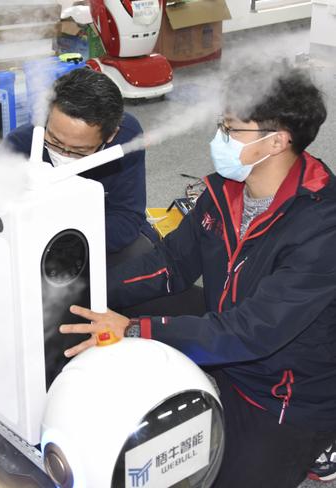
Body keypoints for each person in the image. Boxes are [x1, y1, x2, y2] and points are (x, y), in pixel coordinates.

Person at [59, 64, 336, 487]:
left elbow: (250, 333)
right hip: (229, 330)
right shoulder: (226, 189)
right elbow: (170, 264)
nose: (218, 139)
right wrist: (82, 290)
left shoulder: (322, 226)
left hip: (283, 392)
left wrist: (133, 330)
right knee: (113, 299)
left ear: (276, 141)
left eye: (230, 130)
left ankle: (320, 442)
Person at [5, 68, 157, 260]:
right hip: (35, 242)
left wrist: (74, 246)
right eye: (55, 141)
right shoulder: (18, 146)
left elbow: (127, 216)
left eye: (79, 150)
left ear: (110, 135)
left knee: (141, 265)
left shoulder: (126, 140)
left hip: (96, 237)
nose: (64, 154)